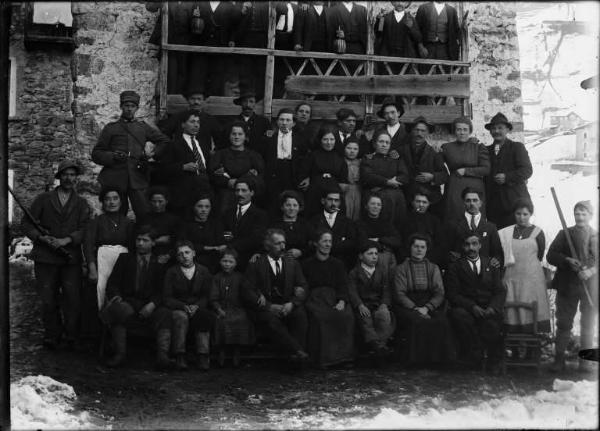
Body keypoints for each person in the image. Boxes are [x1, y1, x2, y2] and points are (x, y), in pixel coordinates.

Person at [21, 161, 91, 349]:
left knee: (72, 298)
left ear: (77, 178)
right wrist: (41, 238)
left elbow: (85, 229)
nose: (69, 178)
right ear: (59, 177)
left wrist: (66, 240)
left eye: (72, 175)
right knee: (48, 298)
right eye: (65, 174)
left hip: (70, 258)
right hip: (45, 258)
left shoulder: (82, 203)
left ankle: (71, 334)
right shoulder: (43, 199)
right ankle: (52, 334)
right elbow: (26, 224)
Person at [101, 225, 172, 369]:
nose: (140, 243)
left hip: (149, 303)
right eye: (138, 240)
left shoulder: (159, 263)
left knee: (165, 314)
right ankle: (120, 354)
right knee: (118, 309)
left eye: (145, 240)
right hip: (129, 301)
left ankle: (162, 357)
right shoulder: (125, 258)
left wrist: (152, 304)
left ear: (153, 243)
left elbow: (162, 291)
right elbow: (113, 283)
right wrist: (116, 296)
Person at [91, 91, 170, 219]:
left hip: (137, 177)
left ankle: (141, 239)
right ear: (121, 107)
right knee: (115, 215)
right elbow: (96, 154)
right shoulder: (111, 128)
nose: (129, 109)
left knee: (144, 214)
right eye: (126, 105)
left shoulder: (142, 127)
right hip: (115, 179)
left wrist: (150, 155)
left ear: (137, 108)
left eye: (132, 106)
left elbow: (164, 141)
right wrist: (112, 156)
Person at [243, 229, 310, 364]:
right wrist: (269, 306)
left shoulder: (292, 263)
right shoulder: (256, 264)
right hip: (265, 308)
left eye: (284, 243)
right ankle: (297, 352)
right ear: (267, 246)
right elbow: (247, 291)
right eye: (278, 244)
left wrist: (292, 304)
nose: (283, 247)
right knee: (271, 321)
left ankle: (295, 359)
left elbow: (303, 286)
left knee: (300, 316)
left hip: (287, 304)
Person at [547, 201, 598, 373]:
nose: (580, 217)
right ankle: (559, 360)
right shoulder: (565, 234)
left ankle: (585, 362)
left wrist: (590, 271)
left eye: (584, 214)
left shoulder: (596, 236)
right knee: (564, 323)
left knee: (588, 324)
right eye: (577, 213)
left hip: (590, 288)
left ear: (591, 216)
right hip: (568, 286)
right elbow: (551, 255)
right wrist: (567, 261)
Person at [445, 233, 506, 374]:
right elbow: (453, 294)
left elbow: (500, 291)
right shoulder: (455, 267)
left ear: (480, 245)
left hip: (488, 307)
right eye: (467, 244)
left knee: (493, 323)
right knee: (459, 317)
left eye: (474, 244)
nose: (471, 248)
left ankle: (493, 362)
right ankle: (473, 358)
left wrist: (492, 307)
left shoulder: (491, 264)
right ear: (463, 247)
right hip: (467, 308)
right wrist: (472, 307)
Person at [393, 233, 456, 366]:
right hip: (408, 305)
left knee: (441, 321)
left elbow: (439, 292)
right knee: (416, 322)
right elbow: (400, 294)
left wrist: (427, 308)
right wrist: (415, 308)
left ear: (427, 249)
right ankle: (417, 362)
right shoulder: (401, 268)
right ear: (410, 248)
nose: (419, 250)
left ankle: (438, 361)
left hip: (428, 303)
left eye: (422, 247)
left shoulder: (434, 268)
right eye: (416, 246)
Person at [498, 199, 551, 339]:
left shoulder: (538, 232)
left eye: (525, 214)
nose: (522, 217)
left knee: (531, 308)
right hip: (511, 275)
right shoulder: (506, 233)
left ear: (531, 214)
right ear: (514, 214)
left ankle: (530, 349)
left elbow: (539, 255)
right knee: (512, 308)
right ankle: (514, 350)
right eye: (518, 213)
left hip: (532, 277)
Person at [303, 229, 356, 368]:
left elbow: (343, 285)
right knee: (322, 318)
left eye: (330, 241)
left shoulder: (337, 264)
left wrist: (342, 301)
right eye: (324, 241)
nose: (327, 244)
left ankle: (343, 358)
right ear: (316, 243)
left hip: (334, 297)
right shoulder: (307, 264)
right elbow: (304, 286)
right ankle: (324, 359)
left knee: (346, 316)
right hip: (315, 299)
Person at [163, 241, 216, 371]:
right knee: (181, 317)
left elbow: (207, 295)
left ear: (194, 253)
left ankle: (203, 355)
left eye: (187, 252)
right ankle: (179, 355)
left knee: (203, 315)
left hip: (198, 307)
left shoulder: (203, 271)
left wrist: (197, 306)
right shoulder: (172, 272)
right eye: (180, 254)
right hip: (179, 307)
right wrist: (182, 306)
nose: (184, 256)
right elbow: (167, 297)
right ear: (177, 257)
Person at [84, 187, 134, 310]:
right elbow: (88, 244)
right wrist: (91, 267)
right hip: (102, 261)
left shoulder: (128, 222)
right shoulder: (96, 221)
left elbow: (133, 246)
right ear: (103, 202)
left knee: (120, 293)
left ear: (121, 202)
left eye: (115, 199)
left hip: (123, 261)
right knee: (101, 293)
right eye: (107, 199)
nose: (112, 202)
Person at [156, 110, 211, 218]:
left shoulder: (203, 144)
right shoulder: (174, 145)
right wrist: (182, 167)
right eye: (192, 122)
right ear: (183, 125)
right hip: (183, 194)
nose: (196, 125)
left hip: (203, 192)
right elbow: (162, 170)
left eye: (198, 122)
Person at [484, 113, 533, 230]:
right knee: (498, 241)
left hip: (515, 204)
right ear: (490, 131)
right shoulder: (485, 150)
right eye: (493, 128)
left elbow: (527, 170)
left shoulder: (517, 147)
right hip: (493, 206)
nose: (496, 131)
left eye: (500, 128)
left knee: (516, 237)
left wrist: (507, 177)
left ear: (507, 130)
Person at [348, 241, 395, 358]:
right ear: (361, 256)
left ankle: (381, 345)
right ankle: (376, 346)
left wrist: (384, 304)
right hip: (363, 305)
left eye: (376, 254)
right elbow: (352, 291)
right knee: (366, 319)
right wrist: (359, 305)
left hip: (377, 304)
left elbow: (386, 291)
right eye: (370, 254)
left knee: (384, 316)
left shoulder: (381, 272)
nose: (374, 257)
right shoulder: (354, 273)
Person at [210, 248, 256, 368]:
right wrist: (218, 308)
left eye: (230, 262)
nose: (227, 264)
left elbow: (247, 292)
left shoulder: (240, 277)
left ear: (235, 263)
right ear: (220, 262)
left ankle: (237, 350)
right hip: (221, 308)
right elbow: (213, 297)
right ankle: (222, 350)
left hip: (237, 308)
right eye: (224, 261)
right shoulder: (216, 278)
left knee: (242, 319)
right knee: (220, 321)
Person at [259, 108, 309, 217]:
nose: (284, 123)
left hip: (292, 174)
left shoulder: (300, 139)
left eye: (288, 120)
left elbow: (306, 160)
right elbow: (261, 158)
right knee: (273, 205)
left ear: (294, 123)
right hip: (273, 175)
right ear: (277, 122)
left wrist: (305, 177)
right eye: (281, 120)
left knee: (290, 203)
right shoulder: (269, 138)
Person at [210, 121, 265, 215]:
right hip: (225, 196)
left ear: (245, 136)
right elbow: (212, 175)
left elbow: (260, 176)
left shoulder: (254, 156)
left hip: (247, 196)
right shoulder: (220, 155)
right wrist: (227, 182)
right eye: (234, 134)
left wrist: (240, 182)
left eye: (240, 134)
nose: (237, 137)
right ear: (229, 136)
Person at [441, 116, 490, 221]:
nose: (462, 133)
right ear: (454, 131)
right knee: (454, 217)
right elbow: (437, 165)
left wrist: (466, 171)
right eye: (458, 129)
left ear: (470, 131)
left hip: (475, 188)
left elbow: (486, 169)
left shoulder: (478, 147)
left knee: (475, 218)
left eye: (465, 129)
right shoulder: (447, 147)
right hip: (455, 188)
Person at [233, 2, 286, 98]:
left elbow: (282, 14)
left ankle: (260, 97)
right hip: (246, 39)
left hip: (264, 40)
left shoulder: (272, 4)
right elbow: (234, 20)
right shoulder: (243, 3)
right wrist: (241, 10)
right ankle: (245, 97)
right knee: (245, 71)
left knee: (262, 70)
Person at [445, 187, 503, 269]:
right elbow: (446, 251)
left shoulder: (490, 227)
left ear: (481, 203)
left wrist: (496, 260)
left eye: (475, 200)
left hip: (484, 273)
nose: (472, 203)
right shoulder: (453, 225)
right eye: (468, 200)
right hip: (460, 272)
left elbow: (497, 253)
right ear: (463, 203)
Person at [188, 1, 237, 97]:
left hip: (220, 49)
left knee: (217, 78)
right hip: (201, 47)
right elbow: (191, 22)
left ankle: (215, 103)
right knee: (199, 76)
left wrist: (231, 40)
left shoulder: (229, 5)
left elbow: (233, 26)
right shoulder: (199, 4)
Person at [360, 130, 410, 225]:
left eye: (387, 142)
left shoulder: (395, 159)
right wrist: (386, 182)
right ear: (374, 144)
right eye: (381, 142)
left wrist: (395, 181)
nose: (384, 145)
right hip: (374, 193)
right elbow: (367, 176)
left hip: (395, 195)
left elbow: (405, 176)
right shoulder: (368, 159)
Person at [402, 116, 447, 218]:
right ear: (412, 131)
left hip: (431, 198)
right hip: (408, 197)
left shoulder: (434, 152)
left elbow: (445, 175)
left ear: (427, 133)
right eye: (417, 130)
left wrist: (432, 177)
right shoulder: (402, 151)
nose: (419, 134)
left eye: (423, 131)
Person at [300, 125, 349, 217]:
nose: (329, 142)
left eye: (332, 139)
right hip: (314, 192)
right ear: (320, 140)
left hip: (333, 194)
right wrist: (307, 179)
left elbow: (343, 179)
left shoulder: (339, 157)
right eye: (325, 139)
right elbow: (304, 173)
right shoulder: (312, 156)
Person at [222, 179, 268, 271]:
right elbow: (226, 232)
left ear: (252, 192)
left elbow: (255, 239)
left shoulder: (260, 215)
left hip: (249, 257)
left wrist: (232, 246)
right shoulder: (228, 212)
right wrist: (229, 245)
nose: (240, 194)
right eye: (237, 190)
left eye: (244, 190)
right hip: (229, 257)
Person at [309, 187, 358, 269]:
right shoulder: (314, 221)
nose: (333, 203)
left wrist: (326, 245)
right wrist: (340, 242)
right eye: (330, 200)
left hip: (342, 265)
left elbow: (351, 243)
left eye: (336, 200)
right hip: (318, 265)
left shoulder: (347, 222)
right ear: (323, 201)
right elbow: (312, 242)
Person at [356, 193, 402, 278]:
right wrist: (384, 244)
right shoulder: (359, 223)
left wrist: (379, 240)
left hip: (384, 255)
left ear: (381, 207)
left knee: (386, 258)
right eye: (372, 204)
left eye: (378, 204)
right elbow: (362, 242)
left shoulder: (386, 224)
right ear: (366, 206)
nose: (375, 206)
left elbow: (397, 241)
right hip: (368, 255)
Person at [177, 195, 227, 274]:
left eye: (207, 207)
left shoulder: (216, 224)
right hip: (192, 263)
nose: (204, 209)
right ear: (193, 207)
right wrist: (208, 248)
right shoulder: (186, 225)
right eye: (200, 206)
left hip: (213, 264)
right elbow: (183, 245)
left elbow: (221, 243)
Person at [156, 89, 222, 148]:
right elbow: (165, 134)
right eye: (192, 99)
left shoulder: (210, 119)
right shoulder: (178, 117)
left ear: (203, 101)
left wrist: (215, 152)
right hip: (182, 155)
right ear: (188, 100)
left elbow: (219, 139)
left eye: (199, 99)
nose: (196, 102)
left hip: (203, 156)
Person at [138, 187, 180, 265]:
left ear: (166, 201)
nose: (157, 205)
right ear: (150, 202)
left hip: (167, 257)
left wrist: (168, 256)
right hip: (145, 258)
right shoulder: (143, 219)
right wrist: (156, 241)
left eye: (160, 201)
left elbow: (178, 241)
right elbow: (137, 239)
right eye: (154, 201)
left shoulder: (174, 220)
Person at [401, 190, 444, 266]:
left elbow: (439, 244)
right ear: (413, 202)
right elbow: (402, 242)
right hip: (408, 260)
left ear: (429, 204)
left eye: (424, 202)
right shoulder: (405, 219)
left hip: (429, 261)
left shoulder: (435, 221)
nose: (421, 205)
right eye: (418, 201)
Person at [269, 191, 315, 261]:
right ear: (282, 207)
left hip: (303, 262)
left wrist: (301, 252)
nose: (292, 208)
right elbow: (269, 245)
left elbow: (313, 245)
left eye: (295, 205)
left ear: (299, 207)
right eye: (288, 205)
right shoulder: (275, 225)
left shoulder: (306, 225)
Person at [340, 138, 362, 221]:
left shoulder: (361, 162)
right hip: (345, 190)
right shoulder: (340, 161)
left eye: (355, 149)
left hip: (358, 190)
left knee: (357, 212)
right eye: (349, 148)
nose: (352, 151)